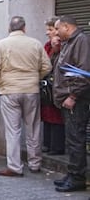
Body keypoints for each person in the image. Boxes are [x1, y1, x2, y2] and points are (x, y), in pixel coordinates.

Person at [0, 16, 52, 177]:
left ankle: (15, 167)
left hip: (9, 90)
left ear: (9, 29)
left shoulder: (2, 44)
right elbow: (47, 66)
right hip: (31, 90)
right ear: (24, 28)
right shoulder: (35, 43)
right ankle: (35, 164)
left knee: (13, 130)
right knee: (33, 128)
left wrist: (0, 83)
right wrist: (35, 78)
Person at [52, 15, 90, 192]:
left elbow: (83, 72)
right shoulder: (68, 43)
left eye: (58, 28)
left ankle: (77, 178)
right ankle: (72, 172)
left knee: (76, 139)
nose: (56, 32)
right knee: (71, 139)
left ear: (67, 27)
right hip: (66, 99)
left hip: (75, 100)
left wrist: (73, 96)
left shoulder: (81, 41)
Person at [41, 17, 65, 155]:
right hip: (47, 87)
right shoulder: (47, 45)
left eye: (50, 30)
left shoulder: (64, 45)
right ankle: (47, 143)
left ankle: (57, 146)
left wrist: (56, 49)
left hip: (57, 86)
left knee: (56, 116)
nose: (48, 33)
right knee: (47, 115)